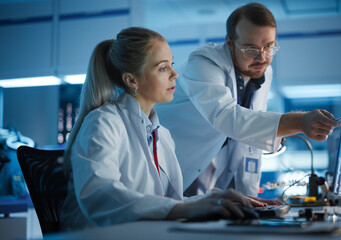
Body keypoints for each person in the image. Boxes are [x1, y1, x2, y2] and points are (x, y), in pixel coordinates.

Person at [60, 27, 254, 231]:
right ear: (131, 80)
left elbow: (166, 203)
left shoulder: (161, 133)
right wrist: (186, 209)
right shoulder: (102, 123)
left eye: (172, 64)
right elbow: (99, 195)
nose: (175, 74)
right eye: (163, 68)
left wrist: (217, 201)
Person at [156, 3, 340, 198]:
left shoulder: (263, 72)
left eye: (269, 47)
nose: (262, 58)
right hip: (178, 163)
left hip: (214, 167)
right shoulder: (203, 63)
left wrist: (251, 199)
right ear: (230, 44)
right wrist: (300, 122)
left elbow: (249, 144)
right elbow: (227, 118)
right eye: (251, 49)